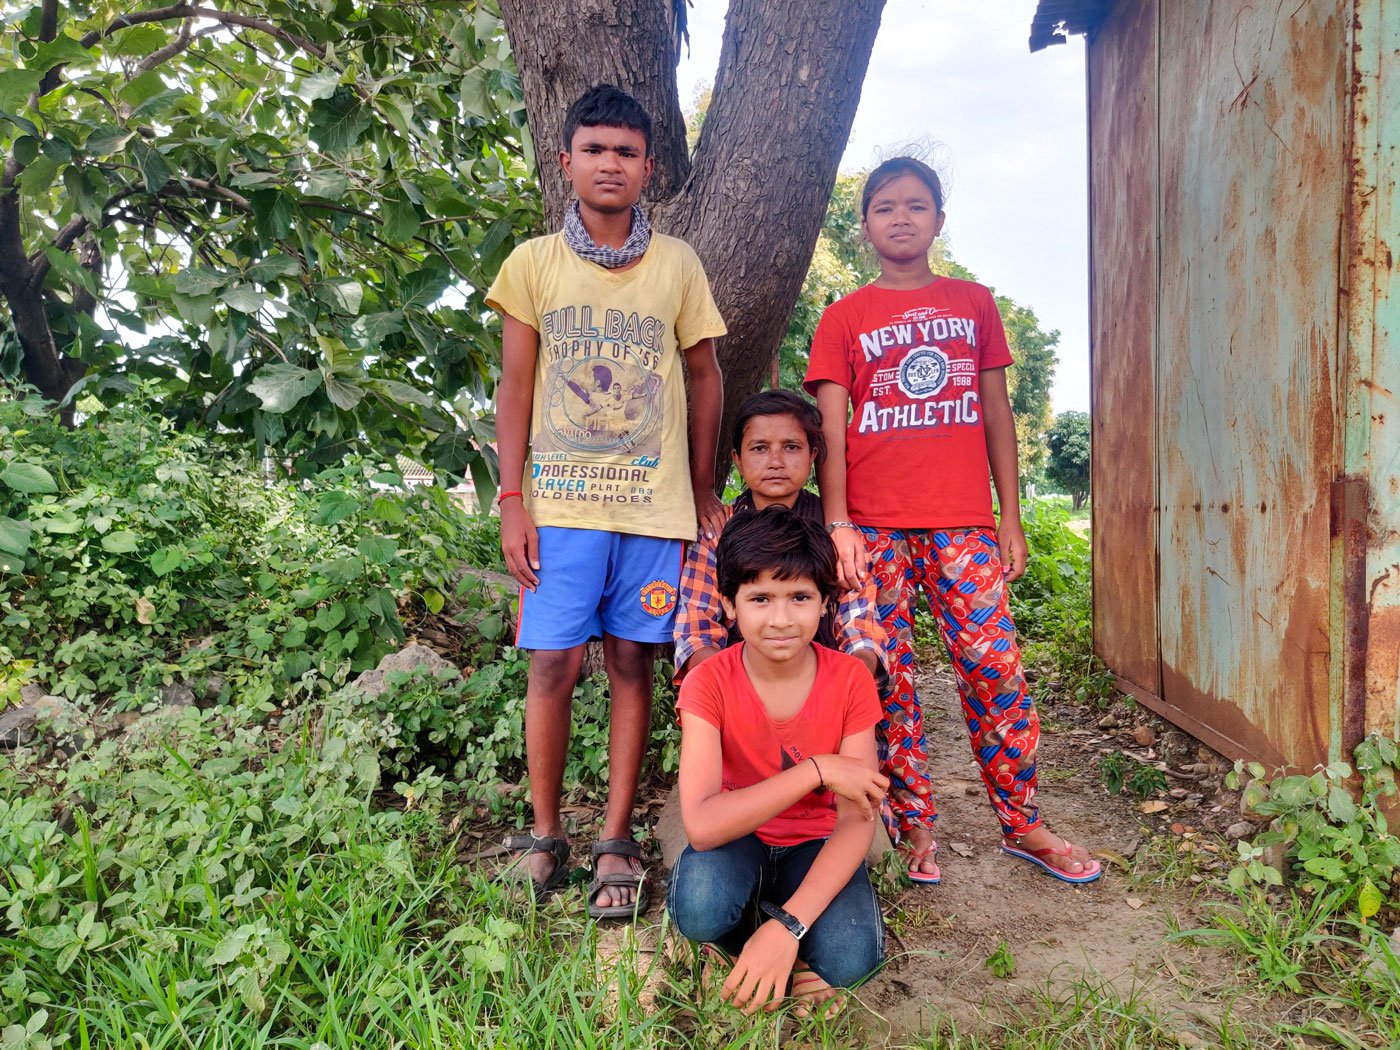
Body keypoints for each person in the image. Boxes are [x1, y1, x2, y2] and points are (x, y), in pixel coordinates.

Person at [803, 156, 1101, 884]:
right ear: (863, 222)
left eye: (916, 205)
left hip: (963, 525)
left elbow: (997, 413)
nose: (900, 217)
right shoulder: (844, 318)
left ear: (939, 219)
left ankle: (1023, 823)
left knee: (994, 667)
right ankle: (915, 825)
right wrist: (838, 522)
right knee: (887, 679)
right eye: (884, 207)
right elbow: (832, 434)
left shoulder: (974, 303)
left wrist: (1012, 516)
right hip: (872, 527)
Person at [487, 84, 730, 920]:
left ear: (649, 168)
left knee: (633, 664)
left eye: (626, 151)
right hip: (559, 508)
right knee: (552, 665)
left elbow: (706, 378)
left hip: (652, 512)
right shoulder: (532, 264)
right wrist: (511, 497)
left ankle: (616, 839)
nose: (610, 163)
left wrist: (702, 490)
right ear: (566, 163)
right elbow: (516, 385)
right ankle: (545, 833)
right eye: (594, 149)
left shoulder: (678, 266)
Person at [668, 507, 888, 1014]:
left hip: (816, 841)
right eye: (760, 598)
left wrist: (790, 926)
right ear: (729, 604)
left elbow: (856, 819)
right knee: (699, 906)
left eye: (801, 598)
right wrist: (816, 770)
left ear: (826, 603)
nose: (782, 619)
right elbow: (701, 825)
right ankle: (732, 945)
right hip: (735, 838)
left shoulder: (850, 680)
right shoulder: (708, 682)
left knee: (852, 955)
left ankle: (779, 933)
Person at [673, 389, 886, 686]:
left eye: (791, 447)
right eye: (759, 448)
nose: (775, 461)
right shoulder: (717, 533)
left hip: (824, 683)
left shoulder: (837, 535)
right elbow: (696, 631)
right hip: (736, 684)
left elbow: (860, 627)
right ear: (737, 459)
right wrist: (735, 690)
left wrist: (847, 684)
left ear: (813, 455)